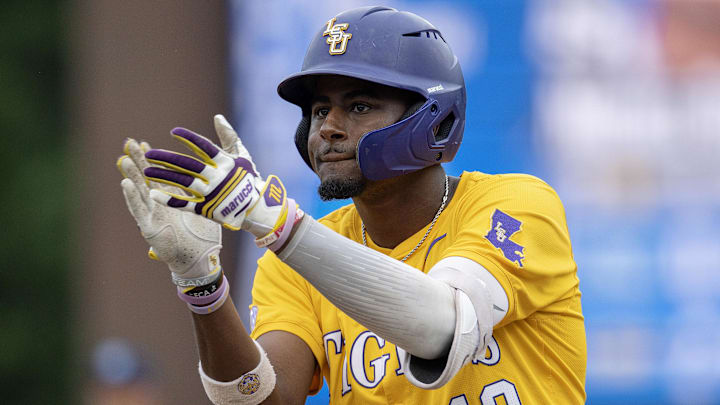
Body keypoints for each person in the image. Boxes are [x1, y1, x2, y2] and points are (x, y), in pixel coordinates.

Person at [117, 6, 586, 405]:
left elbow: (441, 326)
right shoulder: (294, 260)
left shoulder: (518, 203)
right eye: (321, 110)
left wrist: (280, 225)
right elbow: (261, 397)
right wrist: (202, 284)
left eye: (359, 106)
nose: (328, 128)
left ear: (434, 120)